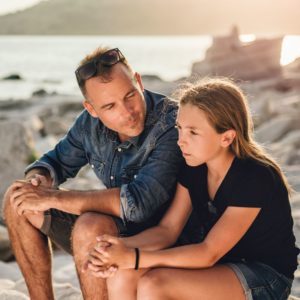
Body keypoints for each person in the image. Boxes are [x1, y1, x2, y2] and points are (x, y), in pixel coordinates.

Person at [85, 78, 300, 300]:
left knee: (154, 284)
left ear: (226, 137)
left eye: (193, 132)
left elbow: (208, 252)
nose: (181, 141)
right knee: (123, 274)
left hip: (265, 276)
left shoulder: (255, 177)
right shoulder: (195, 167)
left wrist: (135, 257)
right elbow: (168, 230)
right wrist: (118, 248)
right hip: (222, 265)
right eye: (179, 128)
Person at [3, 47, 184, 300]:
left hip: (161, 243)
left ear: (139, 82)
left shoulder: (172, 123)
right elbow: (55, 161)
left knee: (90, 226)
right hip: (112, 231)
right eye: (109, 106)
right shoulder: (89, 124)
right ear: (91, 109)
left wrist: (52, 198)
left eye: (130, 95)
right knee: (17, 197)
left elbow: (138, 204)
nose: (127, 111)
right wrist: (39, 180)